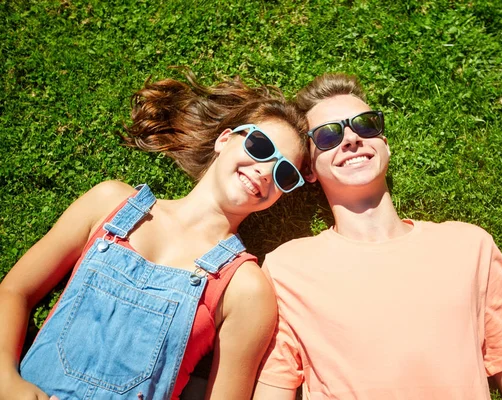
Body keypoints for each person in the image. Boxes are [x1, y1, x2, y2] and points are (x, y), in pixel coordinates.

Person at [0, 70, 308, 400]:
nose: (265, 171)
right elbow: (15, 291)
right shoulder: (110, 203)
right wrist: (6, 379)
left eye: (284, 172)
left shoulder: (245, 288)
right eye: (259, 146)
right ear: (225, 139)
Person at [253, 73, 502, 399]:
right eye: (328, 135)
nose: (351, 139)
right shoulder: (287, 270)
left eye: (365, 125)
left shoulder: (468, 247)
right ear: (309, 169)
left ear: (385, 144)